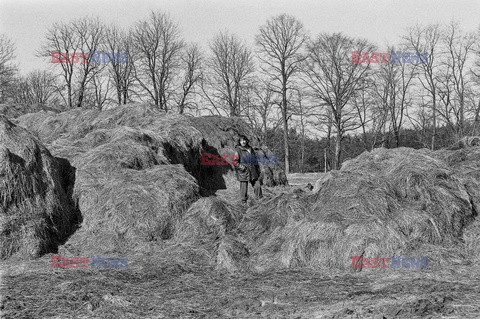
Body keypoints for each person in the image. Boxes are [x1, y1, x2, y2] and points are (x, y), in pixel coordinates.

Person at [234, 135, 263, 204]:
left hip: (253, 170)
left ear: (246, 140)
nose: (243, 142)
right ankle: (243, 203)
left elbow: (255, 160)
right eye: (241, 140)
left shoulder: (250, 149)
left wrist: (258, 170)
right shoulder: (238, 150)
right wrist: (242, 167)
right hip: (244, 172)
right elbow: (235, 162)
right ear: (239, 142)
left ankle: (260, 201)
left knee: (257, 185)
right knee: (244, 189)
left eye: (244, 140)